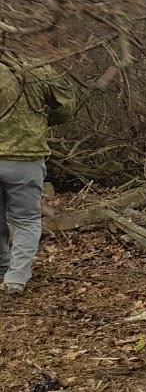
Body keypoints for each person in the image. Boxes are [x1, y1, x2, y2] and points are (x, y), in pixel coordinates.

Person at [0, 54, 76, 295]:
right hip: (26, 157)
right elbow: (66, 106)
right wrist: (41, 120)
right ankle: (15, 278)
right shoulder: (39, 68)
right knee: (26, 220)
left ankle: (2, 268)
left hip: (21, 156)